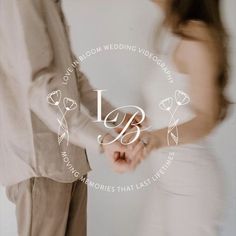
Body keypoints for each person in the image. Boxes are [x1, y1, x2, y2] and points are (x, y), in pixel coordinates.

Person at [0, 0, 137, 235]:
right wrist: (102, 139)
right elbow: (40, 86)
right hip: (42, 162)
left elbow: (72, 77)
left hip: (70, 158)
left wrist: (117, 119)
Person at [125, 0, 230, 235]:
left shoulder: (196, 36)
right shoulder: (176, 35)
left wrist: (155, 138)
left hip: (190, 185)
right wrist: (142, 125)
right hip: (167, 181)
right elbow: (173, 109)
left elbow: (206, 118)